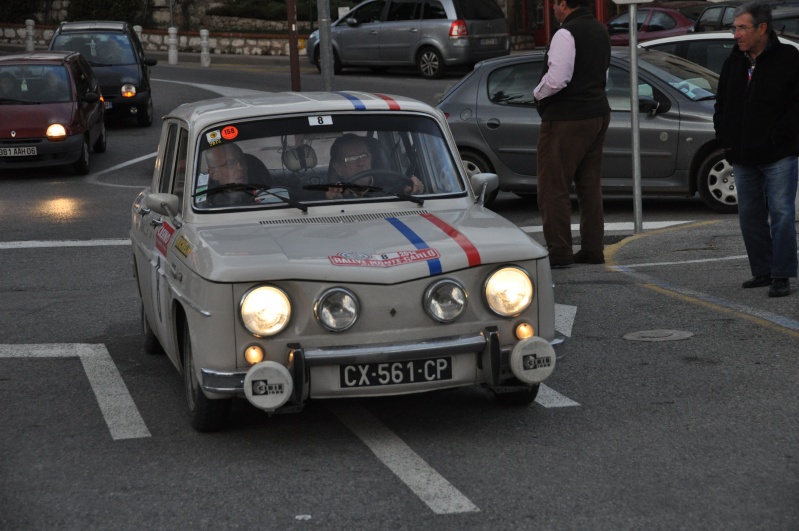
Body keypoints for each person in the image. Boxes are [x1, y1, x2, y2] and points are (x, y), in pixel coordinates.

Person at [714, 1, 799, 298]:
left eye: (741, 28)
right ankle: (762, 270)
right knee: (750, 215)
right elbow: (721, 104)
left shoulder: (788, 58)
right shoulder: (733, 62)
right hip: (742, 154)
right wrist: (725, 137)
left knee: (782, 213)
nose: (736, 34)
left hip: (778, 154)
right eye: (734, 28)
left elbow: (795, 107)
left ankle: (781, 274)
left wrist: (779, 136)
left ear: (762, 28)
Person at [533, 0, 611, 267]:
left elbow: (557, 78)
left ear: (564, 4)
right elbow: (605, 74)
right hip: (598, 112)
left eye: (555, 3)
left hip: (567, 117)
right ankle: (592, 248)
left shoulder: (565, 33)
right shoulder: (600, 30)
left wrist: (537, 94)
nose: (553, 9)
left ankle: (560, 252)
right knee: (589, 186)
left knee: (553, 186)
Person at [326, 134, 424, 199]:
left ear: (371, 158)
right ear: (338, 168)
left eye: (364, 156)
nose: (361, 163)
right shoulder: (329, 196)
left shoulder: (395, 189)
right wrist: (334, 200)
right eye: (352, 158)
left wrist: (414, 188)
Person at [203, 143, 253, 207]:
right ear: (214, 174)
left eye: (242, 161)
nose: (241, 168)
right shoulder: (208, 207)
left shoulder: (265, 194)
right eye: (230, 163)